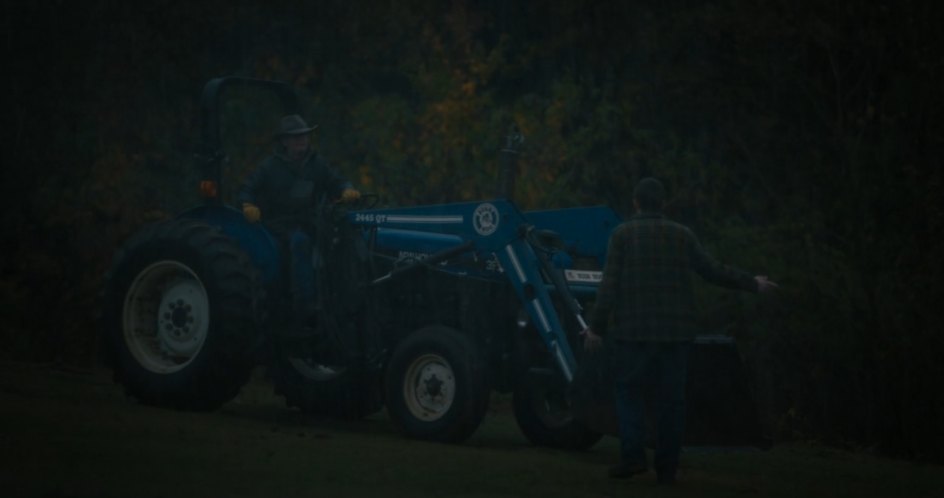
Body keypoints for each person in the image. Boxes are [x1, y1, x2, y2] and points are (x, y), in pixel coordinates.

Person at [582, 177, 777, 484]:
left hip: (633, 333)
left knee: (628, 393)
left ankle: (633, 458)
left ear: (636, 202)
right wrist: (751, 283)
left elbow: (609, 285)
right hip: (676, 335)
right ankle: (667, 470)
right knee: (671, 403)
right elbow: (712, 271)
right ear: (663, 203)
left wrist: (596, 327)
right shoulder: (682, 235)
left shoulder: (622, 235)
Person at [237, 114, 361, 334]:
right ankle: (306, 306)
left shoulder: (316, 164)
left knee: (341, 242)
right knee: (300, 242)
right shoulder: (269, 167)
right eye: (295, 137)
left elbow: (336, 180)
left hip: (310, 223)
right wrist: (247, 205)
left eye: (304, 136)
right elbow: (248, 188)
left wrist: (346, 189)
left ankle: (345, 301)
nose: (301, 140)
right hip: (279, 227)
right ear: (284, 141)